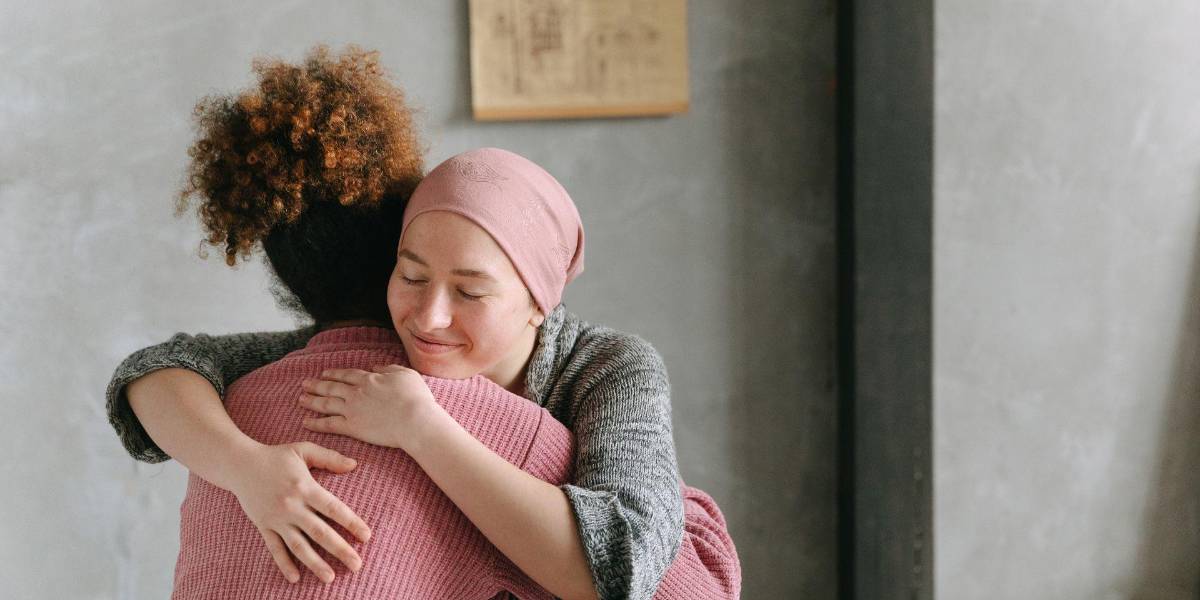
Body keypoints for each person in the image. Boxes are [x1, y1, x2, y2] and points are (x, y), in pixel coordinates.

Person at [108, 46, 740, 600]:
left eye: (470, 291)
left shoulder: (608, 368)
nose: (429, 317)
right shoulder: (383, 341)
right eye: (411, 276)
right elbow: (155, 372)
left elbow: (627, 568)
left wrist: (425, 430)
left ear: (539, 302)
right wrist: (249, 469)